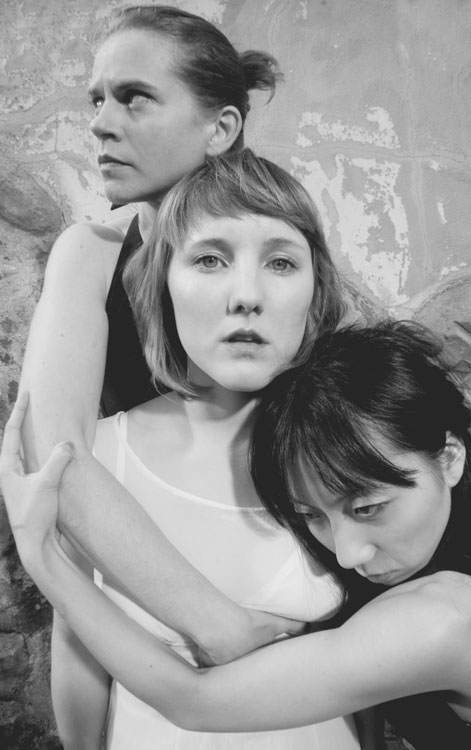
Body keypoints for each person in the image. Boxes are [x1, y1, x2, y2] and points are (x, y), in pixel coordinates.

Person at [3, 321, 471, 750]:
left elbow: (193, 700)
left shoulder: (450, 614)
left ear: (450, 458)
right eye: (312, 516)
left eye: (367, 508)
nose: (347, 554)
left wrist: (43, 556)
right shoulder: (439, 534)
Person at [19, 148, 362, 750]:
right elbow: (78, 652)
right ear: (163, 285)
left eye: (281, 262)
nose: (246, 296)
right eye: (209, 259)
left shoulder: (346, 451)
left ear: (315, 292)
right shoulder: (98, 460)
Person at [18, 2, 302, 679]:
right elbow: (54, 459)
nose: (101, 122)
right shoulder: (90, 252)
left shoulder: (285, 242)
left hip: (279, 558)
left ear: (219, 128)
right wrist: (216, 623)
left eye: (135, 98)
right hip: (139, 571)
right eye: (97, 100)